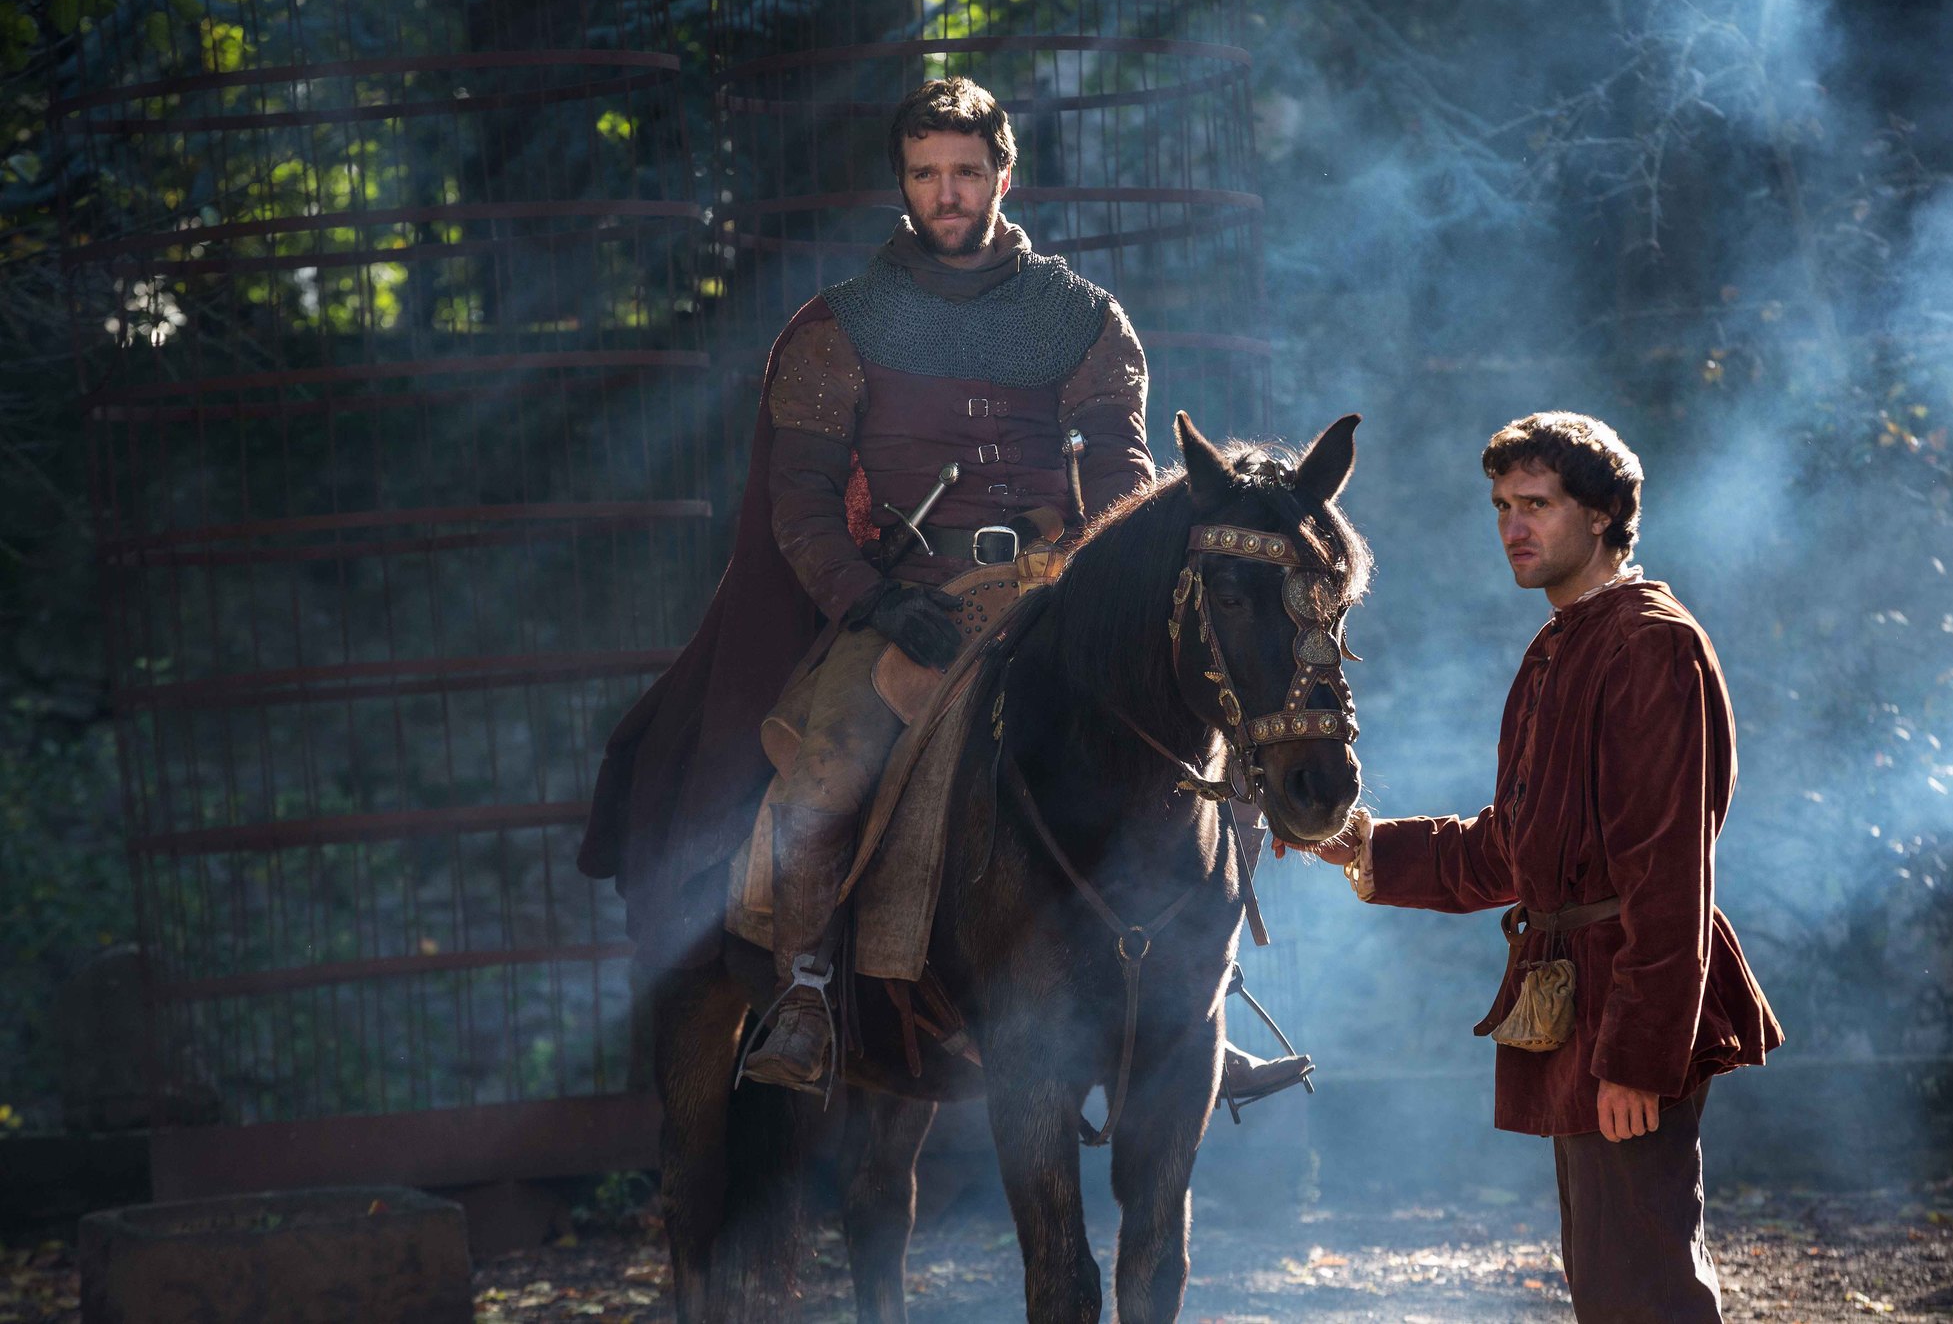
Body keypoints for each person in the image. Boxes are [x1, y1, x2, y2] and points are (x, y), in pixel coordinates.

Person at [581, 76, 1313, 1101]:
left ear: (1002, 175)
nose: (948, 193)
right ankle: (801, 991)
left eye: (966, 172)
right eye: (926, 174)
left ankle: (1198, 1005)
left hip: (1055, 596)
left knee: (1202, 750)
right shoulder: (838, 331)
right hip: (905, 606)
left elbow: (1120, 477)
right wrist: (872, 602)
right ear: (903, 184)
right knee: (818, 780)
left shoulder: (1085, 320)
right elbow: (797, 506)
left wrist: (1105, 596)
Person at [1281, 412, 1783, 1321]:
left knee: (1645, 1284)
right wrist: (1362, 844)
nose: (1513, 525)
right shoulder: (1563, 644)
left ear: (1600, 516)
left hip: (1630, 1004)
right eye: (1502, 505)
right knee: (1608, 1278)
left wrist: (1636, 1057)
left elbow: (1669, 875)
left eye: (1537, 504)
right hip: (1580, 1001)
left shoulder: (1649, 644)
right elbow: (1513, 849)